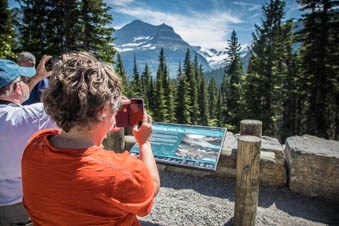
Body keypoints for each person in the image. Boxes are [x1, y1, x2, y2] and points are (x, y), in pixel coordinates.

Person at [22, 52, 160, 225]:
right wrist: (144, 143)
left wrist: (102, 124)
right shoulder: (121, 172)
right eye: (113, 106)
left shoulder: (34, 146)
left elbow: (75, 145)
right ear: (102, 110)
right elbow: (151, 187)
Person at [0, 57, 56, 225]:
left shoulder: (27, 115)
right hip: (22, 207)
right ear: (18, 88)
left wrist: (37, 78)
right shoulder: (35, 116)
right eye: (23, 80)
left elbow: (16, 100)